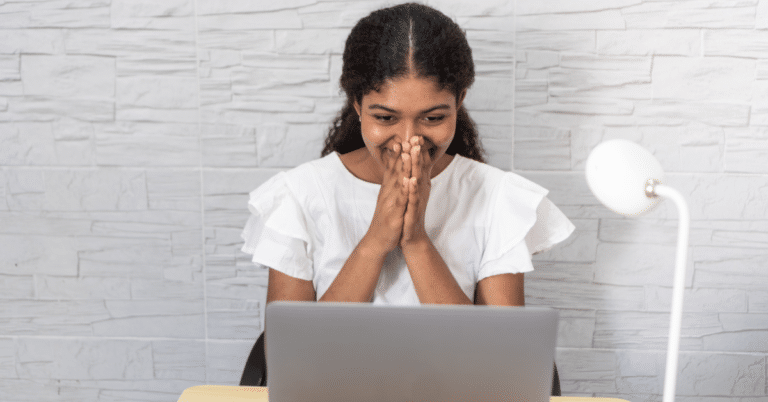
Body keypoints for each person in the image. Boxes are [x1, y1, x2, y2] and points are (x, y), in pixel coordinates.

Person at [241, 2, 575, 309]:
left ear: (459, 101)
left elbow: (499, 358)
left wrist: (415, 241)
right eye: (385, 118)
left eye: (433, 118)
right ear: (357, 103)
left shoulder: (499, 198)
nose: (408, 140)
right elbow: (296, 357)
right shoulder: (297, 197)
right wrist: (375, 241)